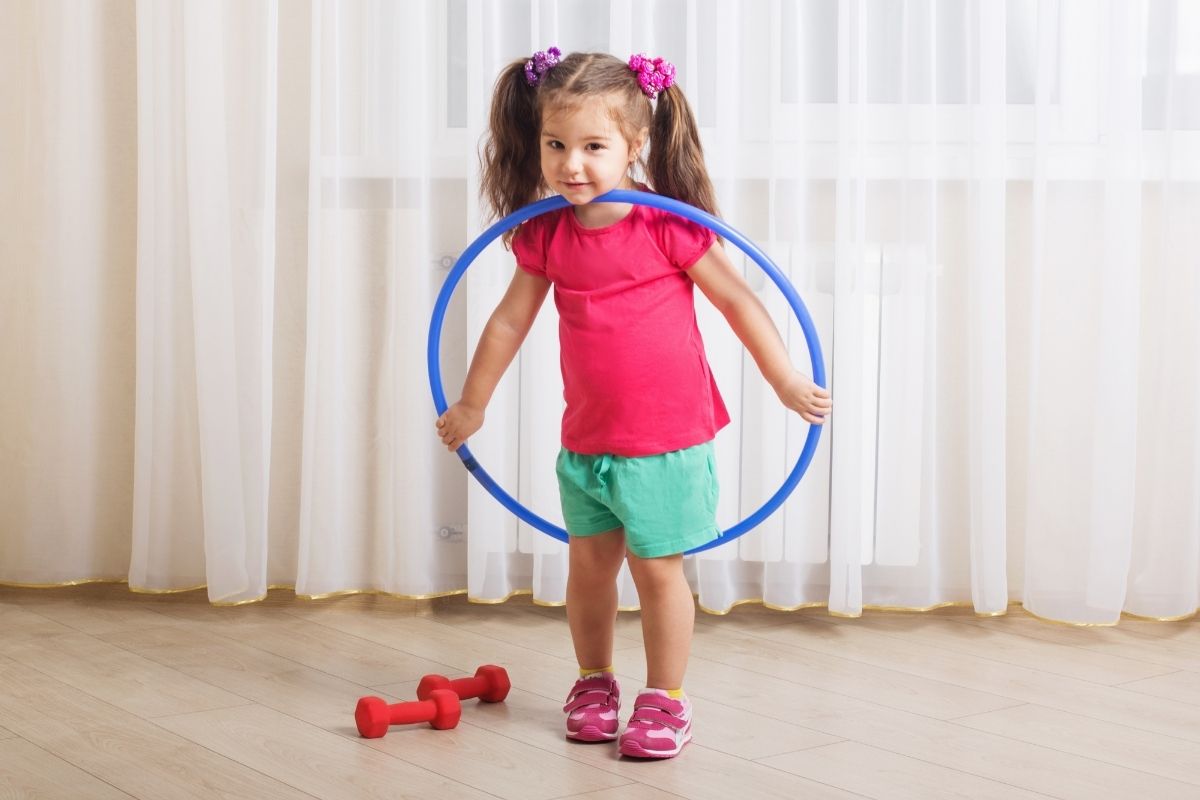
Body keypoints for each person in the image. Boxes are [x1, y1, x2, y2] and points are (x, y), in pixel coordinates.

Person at [435, 48, 831, 759]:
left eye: (594, 146)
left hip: (666, 442)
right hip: (588, 441)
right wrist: (472, 403)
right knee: (589, 570)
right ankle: (594, 681)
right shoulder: (546, 232)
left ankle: (666, 697)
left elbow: (738, 301)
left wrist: (783, 380)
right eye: (556, 145)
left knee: (656, 571)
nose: (571, 165)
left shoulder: (665, 225)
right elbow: (507, 323)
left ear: (635, 143)